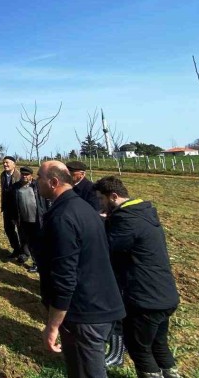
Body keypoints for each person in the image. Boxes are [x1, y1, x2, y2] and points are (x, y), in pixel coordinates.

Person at [36, 160, 125, 378]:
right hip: (97, 305)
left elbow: (65, 277)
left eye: (39, 177)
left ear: (54, 182)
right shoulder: (82, 207)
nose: (36, 182)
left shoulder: (62, 217)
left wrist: (53, 325)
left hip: (85, 314)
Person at [94, 176, 182, 378]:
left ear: (113, 196)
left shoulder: (126, 220)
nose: (100, 204)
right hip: (164, 294)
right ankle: (171, 373)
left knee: (138, 347)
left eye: (101, 199)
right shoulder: (142, 214)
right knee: (159, 344)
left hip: (145, 299)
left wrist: (99, 223)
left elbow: (105, 248)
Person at [15, 166, 44, 272]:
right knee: (24, 240)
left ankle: (37, 263)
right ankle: (25, 255)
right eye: (22, 174)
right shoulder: (16, 187)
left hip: (36, 220)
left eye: (26, 175)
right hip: (23, 219)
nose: (24, 176)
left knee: (35, 243)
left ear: (31, 176)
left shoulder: (37, 186)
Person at [0, 156, 24, 261]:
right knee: (8, 229)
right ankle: (16, 249)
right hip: (7, 207)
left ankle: (24, 253)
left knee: (21, 231)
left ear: (14, 164)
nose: (5, 165)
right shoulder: (3, 175)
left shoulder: (19, 176)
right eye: (4, 163)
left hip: (18, 208)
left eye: (7, 163)